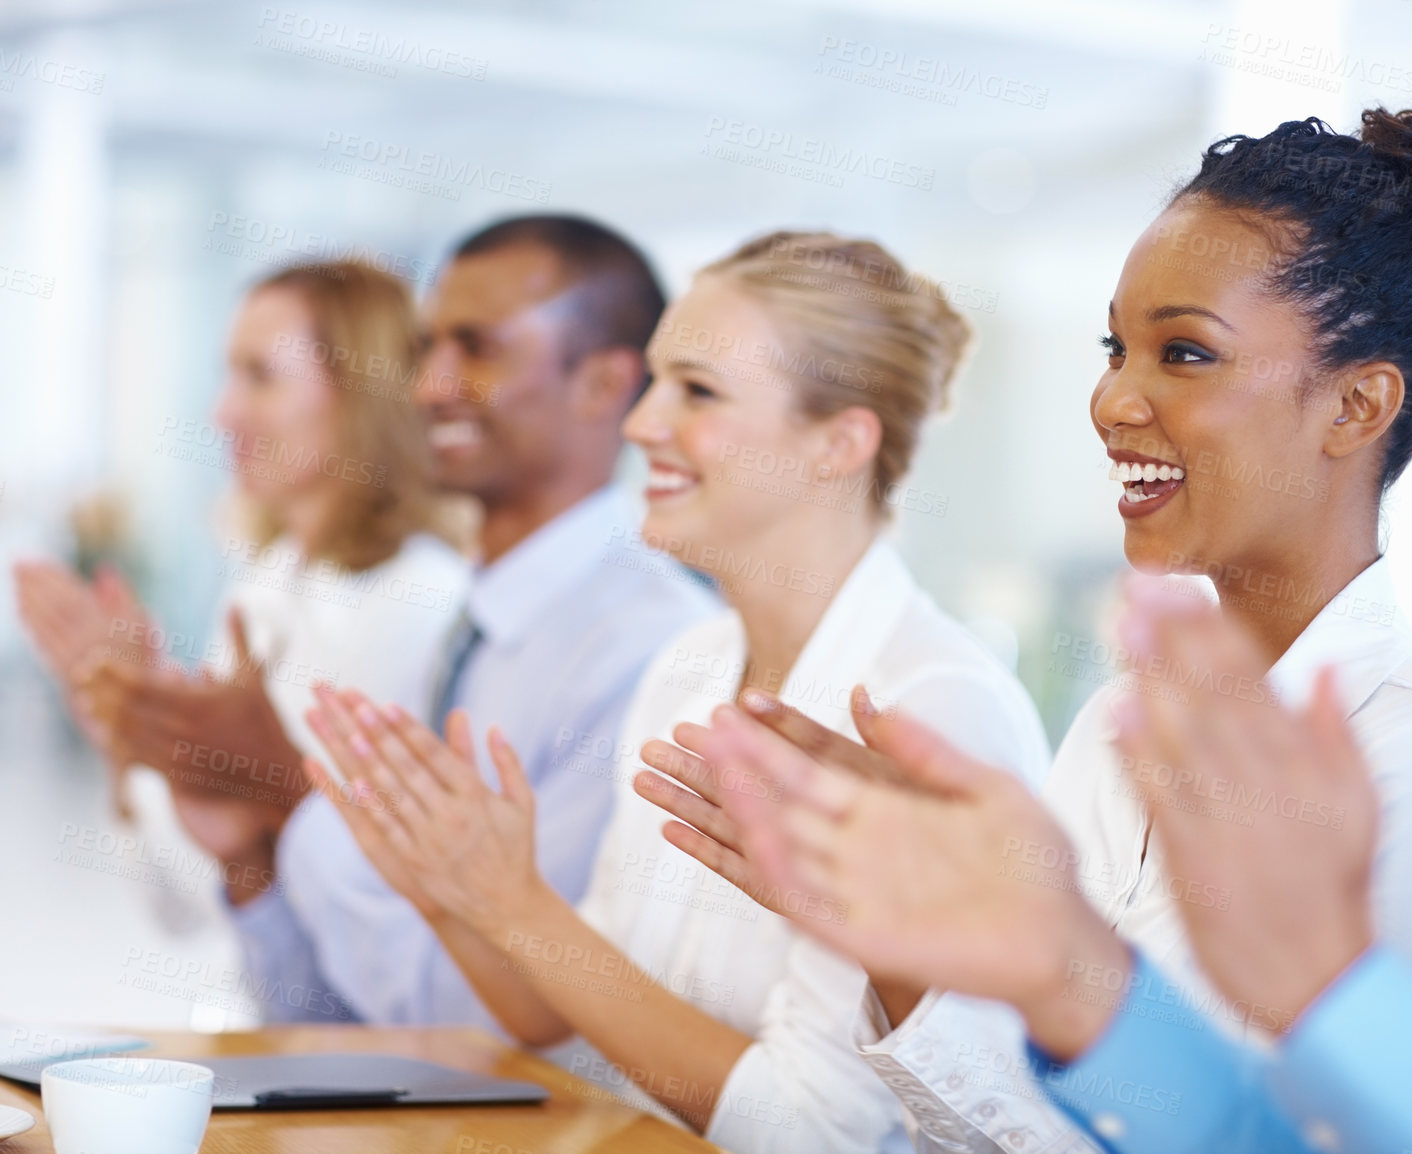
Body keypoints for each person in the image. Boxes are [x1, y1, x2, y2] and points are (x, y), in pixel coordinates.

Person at [638, 70, 1412, 1154]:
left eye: (1185, 352)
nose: (1113, 400)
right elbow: (1012, 1127)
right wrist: (893, 934)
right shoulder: (1125, 722)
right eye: (1115, 348)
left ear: (1355, 404)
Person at [298, 231, 1052, 1152]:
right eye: (655, 383)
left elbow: (815, 1129)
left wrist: (520, 912)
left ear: (840, 442)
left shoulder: (931, 711)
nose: (642, 423)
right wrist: (459, 885)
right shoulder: (688, 670)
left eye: (696, 391)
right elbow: (573, 1015)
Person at [226, 216, 720, 1025]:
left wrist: (291, 802)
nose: (429, 386)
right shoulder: (464, 620)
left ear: (602, 385)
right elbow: (340, 1017)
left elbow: (501, 1015)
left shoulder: (648, 654)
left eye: (478, 349)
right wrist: (249, 845)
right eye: (427, 349)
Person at [17, 259, 471, 938]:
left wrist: (174, 751)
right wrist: (129, 727)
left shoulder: (418, 599)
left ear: (361, 394)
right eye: (229, 375)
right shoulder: (270, 574)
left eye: (260, 376)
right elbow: (184, 905)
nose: (222, 412)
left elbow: (360, 905)